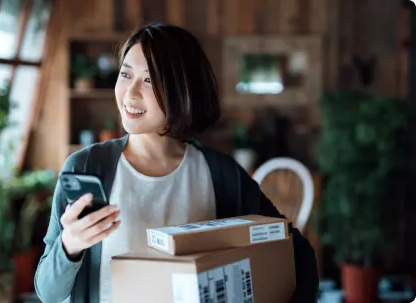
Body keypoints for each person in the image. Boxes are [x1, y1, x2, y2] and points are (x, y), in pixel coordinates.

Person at [34, 23, 319, 303]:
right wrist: (69, 246)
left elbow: (297, 255)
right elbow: (48, 292)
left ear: (184, 90)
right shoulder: (86, 166)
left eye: (149, 80)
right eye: (125, 74)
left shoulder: (220, 173)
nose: (130, 93)